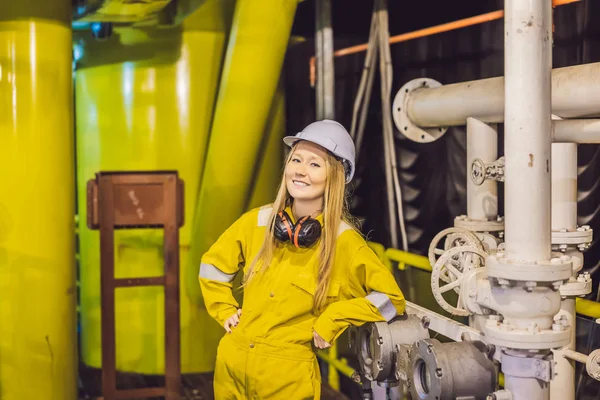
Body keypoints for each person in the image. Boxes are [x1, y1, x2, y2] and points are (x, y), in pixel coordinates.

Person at [198, 119, 406, 399]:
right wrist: (223, 309)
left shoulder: (344, 243)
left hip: (287, 376)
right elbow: (212, 265)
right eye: (296, 159)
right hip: (231, 365)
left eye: (314, 164)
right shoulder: (259, 222)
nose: (300, 171)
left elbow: (391, 300)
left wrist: (334, 318)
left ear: (335, 176)